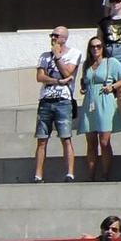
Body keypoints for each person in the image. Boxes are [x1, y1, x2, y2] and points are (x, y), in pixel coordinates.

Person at [79, 32, 121, 181]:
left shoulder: (111, 62)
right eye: (92, 47)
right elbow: (85, 81)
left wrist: (113, 86)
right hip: (90, 102)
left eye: (98, 46)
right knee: (91, 141)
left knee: (104, 140)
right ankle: (91, 174)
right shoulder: (87, 64)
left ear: (103, 48)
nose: (95, 49)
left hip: (105, 100)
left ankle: (106, 174)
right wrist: (83, 88)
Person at [35, 27, 80, 183]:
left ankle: (70, 172)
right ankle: (38, 174)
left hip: (63, 100)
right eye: (51, 35)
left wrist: (58, 56)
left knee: (66, 137)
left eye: (56, 35)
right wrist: (57, 81)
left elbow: (68, 73)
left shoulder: (73, 53)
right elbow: (40, 76)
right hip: (46, 100)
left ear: (64, 38)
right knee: (41, 139)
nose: (53, 38)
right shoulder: (44, 56)